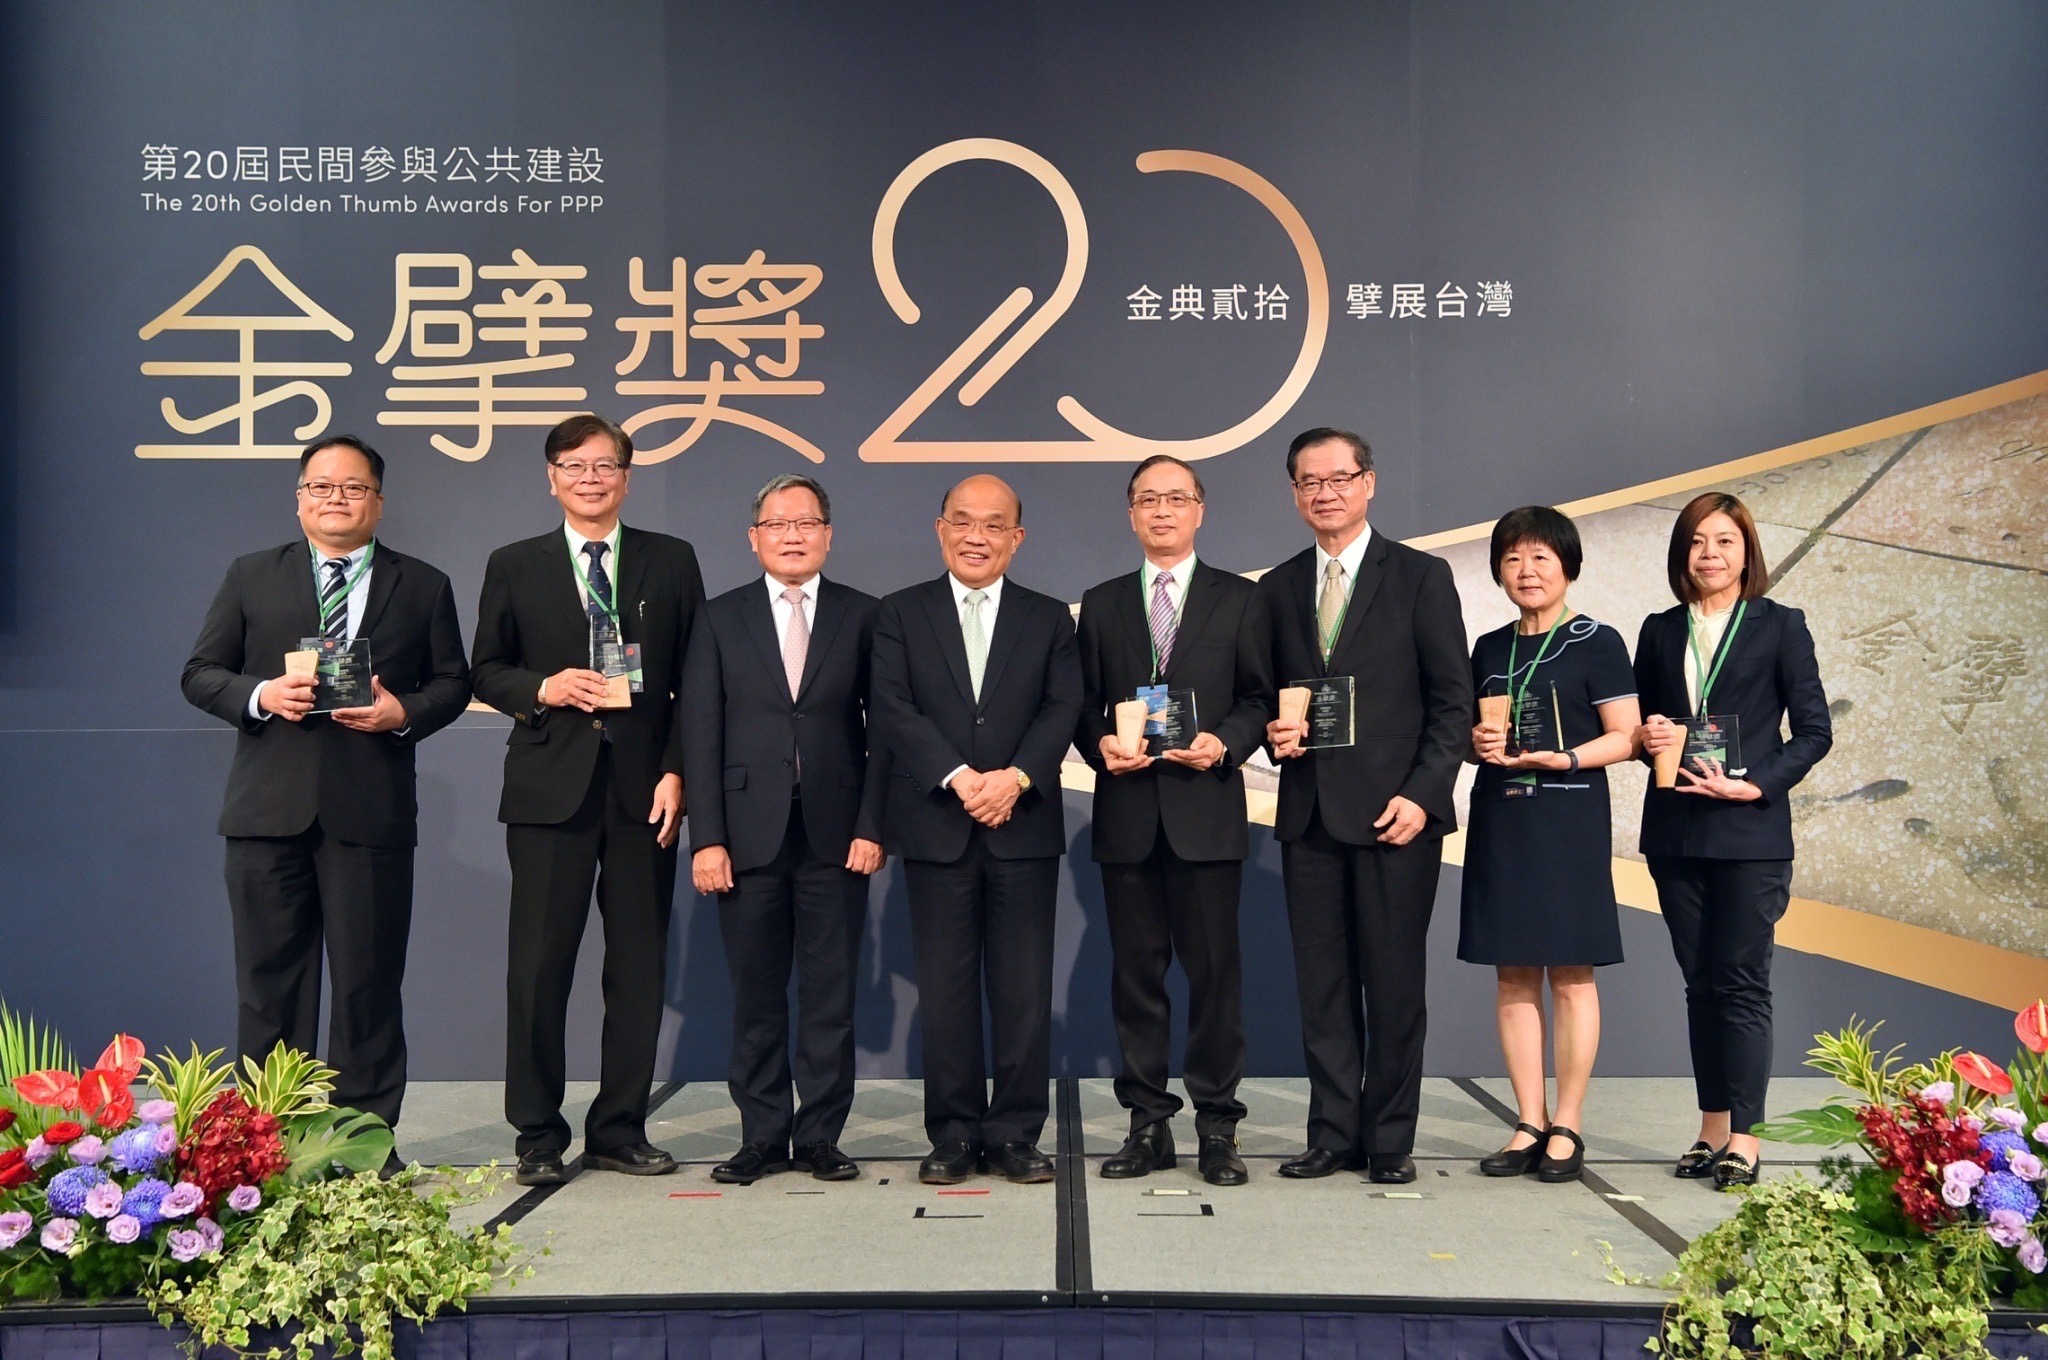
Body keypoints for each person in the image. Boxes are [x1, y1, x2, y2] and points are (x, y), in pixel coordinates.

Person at [182, 435, 470, 1151]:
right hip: (265, 813)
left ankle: (364, 1142)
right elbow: (201, 672)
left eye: (353, 487)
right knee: (269, 987)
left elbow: (453, 683)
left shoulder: (424, 584)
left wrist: (402, 713)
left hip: (369, 814)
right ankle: (267, 1143)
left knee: (369, 986)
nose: (336, 498)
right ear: (299, 497)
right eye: (321, 486)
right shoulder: (252, 574)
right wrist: (262, 695)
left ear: (379, 501)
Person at [471, 414, 705, 1186]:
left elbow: (696, 679)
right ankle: (537, 1134)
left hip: (644, 790)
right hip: (549, 789)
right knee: (538, 968)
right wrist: (542, 686)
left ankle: (619, 1128)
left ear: (627, 478)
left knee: (637, 967)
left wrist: (677, 771)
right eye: (574, 466)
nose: (590, 478)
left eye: (605, 466)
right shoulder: (515, 563)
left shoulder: (671, 560)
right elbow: (486, 668)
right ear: (552, 479)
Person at [1249, 428, 1471, 1184]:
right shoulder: (1278, 586)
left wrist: (1424, 795)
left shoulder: (1420, 576)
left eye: (1340, 478)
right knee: (1324, 989)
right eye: (1310, 482)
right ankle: (1332, 1134)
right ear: (1294, 493)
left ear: (1368, 482)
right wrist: (1272, 731)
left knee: (1395, 988)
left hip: (1395, 817)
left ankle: (1390, 1140)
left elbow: (1452, 703)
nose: (1326, 493)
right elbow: (1261, 696)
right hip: (1310, 815)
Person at [869, 475, 1083, 1185]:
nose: (976, 537)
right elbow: (893, 707)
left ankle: (1018, 1133)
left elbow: (1062, 709)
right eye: (962, 522)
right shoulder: (901, 613)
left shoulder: (1049, 618)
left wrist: (1013, 780)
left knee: (1023, 993)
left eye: (994, 525)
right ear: (941, 529)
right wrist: (961, 778)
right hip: (938, 826)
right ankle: (954, 1134)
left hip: (1023, 826)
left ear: (1016, 538)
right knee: (946, 991)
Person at [683, 474, 888, 1185]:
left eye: (805, 523)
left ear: (828, 534)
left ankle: (822, 1135)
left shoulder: (865, 615)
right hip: (746, 836)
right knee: (756, 998)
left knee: (831, 998)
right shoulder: (719, 617)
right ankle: (762, 1136)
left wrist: (873, 825)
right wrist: (708, 837)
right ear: (754, 538)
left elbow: (886, 733)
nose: (792, 536)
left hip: (838, 834)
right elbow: (700, 731)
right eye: (777, 524)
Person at [1074, 455, 1265, 1187]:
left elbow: (1259, 696)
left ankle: (1218, 1127)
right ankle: (1147, 1124)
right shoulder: (1102, 602)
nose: (1162, 511)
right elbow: (1080, 704)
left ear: (1199, 510)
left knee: (1215, 981)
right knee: (1137, 981)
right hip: (1128, 816)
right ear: (1130, 514)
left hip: (1205, 813)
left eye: (1176, 498)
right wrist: (1100, 744)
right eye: (1148, 499)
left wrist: (1225, 743)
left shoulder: (1239, 599)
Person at [1635, 492, 1830, 1190]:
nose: (1710, 554)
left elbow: (1814, 731)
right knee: (1700, 984)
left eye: (1724, 541)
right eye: (1696, 541)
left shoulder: (1780, 625)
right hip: (1676, 831)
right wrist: (1648, 737)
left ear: (1747, 552)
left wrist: (1756, 786)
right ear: (1681, 553)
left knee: (1742, 982)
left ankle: (1747, 1137)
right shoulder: (1660, 630)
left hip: (1750, 834)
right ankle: (1711, 1127)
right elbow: (1644, 728)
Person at [1460, 507, 1641, 1184]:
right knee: (1511, 973)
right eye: (1512, 559)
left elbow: (1625, 736)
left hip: (1568, 817)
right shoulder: (1489, 648)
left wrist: (1564, 758)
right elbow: (1469, 739)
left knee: (1570, 973)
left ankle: (1567, 1122)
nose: (1526, 571)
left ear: (1567, 565)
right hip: (1502, 817)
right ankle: (1528, 1120)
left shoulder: (1598, 641)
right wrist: (1475, 744)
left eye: (1540, 557)